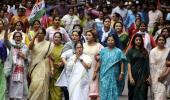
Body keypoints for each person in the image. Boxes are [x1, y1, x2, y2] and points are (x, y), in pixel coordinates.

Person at [94, 34, 127, 100]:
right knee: (104, 89)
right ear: (106, 41)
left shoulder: (118, 51)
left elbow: (121, 62)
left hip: (114, 73)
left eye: (112, 40)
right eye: (108, 40)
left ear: (115, 41)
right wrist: (95, 71)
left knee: (113, 89)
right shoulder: (103, 51)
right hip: (104, 73)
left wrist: (122, 73)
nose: (110, 41)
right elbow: (100, 62)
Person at [4, 30, 31, 100]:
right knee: (12, 86)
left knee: (20, 87)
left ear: (22, 38)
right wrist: (6, 30)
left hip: (22, 70)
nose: (18, 38)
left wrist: (24, 57)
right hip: (12, 69)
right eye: (16, 36)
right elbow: (5, 41)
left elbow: (30, 59)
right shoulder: (11, 46)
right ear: (13, 38)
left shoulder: (25, 47)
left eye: (19, 36)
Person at [28, 28, 54, 100]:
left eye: (41, 33)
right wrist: (33, 37)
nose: (39, 34)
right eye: (38, 33)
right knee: (34, 84)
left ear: (45, 35)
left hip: (45, 66)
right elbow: (30, 47)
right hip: (34, 66)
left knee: (43, 84)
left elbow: (50, 57)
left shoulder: (49, 44)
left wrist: (52, 68)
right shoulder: (34, 42)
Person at [126, 34, 150, 100]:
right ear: (134, 41)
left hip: (143, 76)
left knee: (142, 93)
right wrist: (130, 77)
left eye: (139, 40)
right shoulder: (130, 51)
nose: (138, 41)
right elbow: (128, 64)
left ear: (142, 41)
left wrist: (149, 76)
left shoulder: (145, 51)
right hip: (133, 75)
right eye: (136, 40)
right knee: (132, 93)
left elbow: (148, 64)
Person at [83, 30, 103, 99]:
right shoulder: (83, 45)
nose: (87, 37)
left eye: (89, 35)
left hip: (94, 70)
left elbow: (101, 59)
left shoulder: (99, 46)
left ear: (94, 37)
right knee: (84, 90)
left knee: (93, 92)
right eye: (86, 35)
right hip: (83, 71)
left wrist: (95, 72)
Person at [150, 34, 170, 100]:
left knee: (163, 94)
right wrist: (158, 75)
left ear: (165, 41)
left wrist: (164, 74)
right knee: (158, 94)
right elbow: (152, 65)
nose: (161, 41)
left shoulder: (168, 50)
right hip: (156, 76)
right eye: (159, 40)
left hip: (167, 74)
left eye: (163, 40)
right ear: (157, 41)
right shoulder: (153, 51)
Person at [49, 32, 64, 100]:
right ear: (53, 38)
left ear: (61, 39)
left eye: (58, 37)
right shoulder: (49, 46)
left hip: (59, 72)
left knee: (58, 89)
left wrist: (62, 63)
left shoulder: (63, 48)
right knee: (49, 89)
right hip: (49, 70)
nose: (57, 38)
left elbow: (66, 58)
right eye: (55, 37)